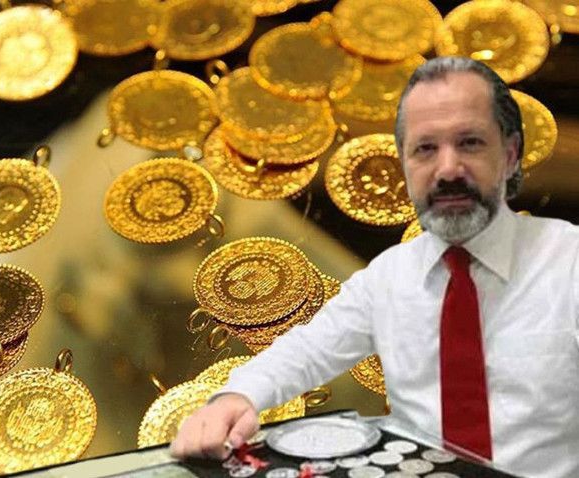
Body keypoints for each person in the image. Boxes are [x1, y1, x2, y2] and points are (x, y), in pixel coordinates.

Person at [170, 56, 579, 478]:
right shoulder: (390, 276)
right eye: (425, 149)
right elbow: (307, 350)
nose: (447, 170)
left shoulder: (569, 263)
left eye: (470, 143)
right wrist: (236, 397)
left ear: (510, 155)